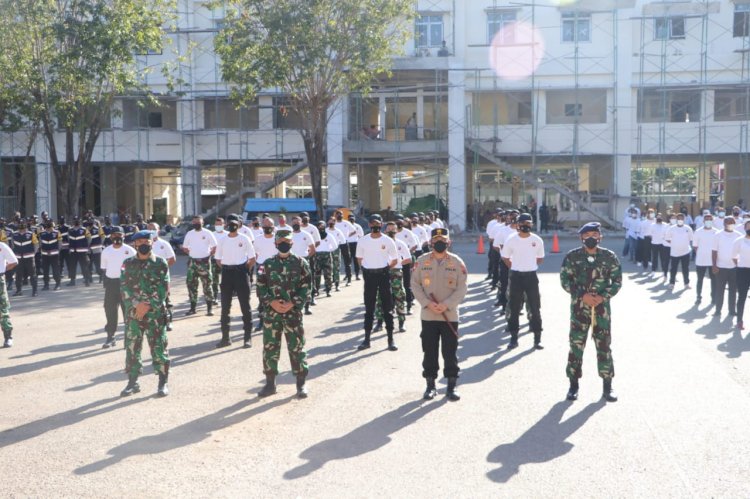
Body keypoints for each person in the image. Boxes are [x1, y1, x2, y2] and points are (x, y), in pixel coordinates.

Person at [560, 222, 622, 402]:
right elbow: (565, 280)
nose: (591, 239)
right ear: (581, 238)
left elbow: (617, 281)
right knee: (576, 346)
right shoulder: (573, 257)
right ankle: (573, 386)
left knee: (604, 346)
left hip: (601, 309)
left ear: (600, 237)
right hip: (580, 308)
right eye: (587, 236)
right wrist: (582, 295)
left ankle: (607, 386)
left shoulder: (609, 256)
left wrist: (603, 297)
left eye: (594, 234)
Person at [411, 228, 467, 401]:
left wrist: (446, 305)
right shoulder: (421, 261)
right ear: (430, 243)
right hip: (429, 315)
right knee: (429, 351)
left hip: (449, 315)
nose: (439, 243)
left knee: (450, 351)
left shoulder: (457, 262)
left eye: (442, 240)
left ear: (448, 243)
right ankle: (430, 385)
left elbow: (462, 288)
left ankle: (451, 386)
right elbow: (415, 284)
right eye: (436, 240)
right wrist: (428, 303)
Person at [256, 230, 312, 398]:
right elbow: (260, 286)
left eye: (286, 241)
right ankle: (270, 384)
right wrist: (271, 302)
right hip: (272, 315)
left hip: (293, 314)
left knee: (297, 348)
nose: (283, 244)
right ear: (275, 243)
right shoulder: (266, 264)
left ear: (292, 243)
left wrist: (293, 303)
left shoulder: (301, 263)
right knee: (270, 348)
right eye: (280, 241)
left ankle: (301, 384)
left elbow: (307, 286)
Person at [119, 230, 170, 397]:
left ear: (152, 242)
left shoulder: (161, 263)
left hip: (154, 313)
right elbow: (124, 286)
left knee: (158, 347)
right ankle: (133, 382)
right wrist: (136, 304)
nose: (142, 244)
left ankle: (163, 382)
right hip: (134, 314)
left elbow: (164, 288)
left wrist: (147, 305)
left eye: (145, 241)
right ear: (134, 244)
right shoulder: (127, 263)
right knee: (133, 348)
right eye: (139, 241)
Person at [355, 214, 399, 351]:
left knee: (388, 308)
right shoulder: (363, 240)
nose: (375, 226)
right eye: (373, 223)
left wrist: (386, 268)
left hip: (384, 275)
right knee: (369, 308)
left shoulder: (388, 240)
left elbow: (395, 259)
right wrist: (365, 269)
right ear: (369, 225)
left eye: (377, 223)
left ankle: (390, 339)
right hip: (370, 276)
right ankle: (367, 339)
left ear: (382, 224)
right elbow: (359, 258)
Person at [501, 213, 544, 350]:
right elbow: (505, 257)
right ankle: (514, 338)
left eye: (528, 223)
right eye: (523, 223)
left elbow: (540, 258)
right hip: (516, 277)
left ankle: (537, 339)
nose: (526, 226)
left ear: (531, 225)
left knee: (535, 307)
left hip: (531, 276)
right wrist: (516, 267)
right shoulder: (511, 239)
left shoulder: (537, 240)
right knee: (514, 308)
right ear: (517, 225)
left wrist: (529, 265)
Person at [215, 216, 256, 348]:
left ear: (239, 224)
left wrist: (244, 269)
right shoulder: (222, 240)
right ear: (227, 225)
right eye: (230, 223)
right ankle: (225, 338)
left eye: (235, 223)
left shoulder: (244, 238)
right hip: (227, 273)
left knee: (245, 306)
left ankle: (247, 338)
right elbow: (218, 259)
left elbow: (252, 258)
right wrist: (227, 268)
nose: (232, 225)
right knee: (225, 307)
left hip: (241, 272)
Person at [100, 227, 136, 348]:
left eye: (119, 235)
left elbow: (136, 268)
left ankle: (129, 337)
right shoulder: (106, 251)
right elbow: (104, 268)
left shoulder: (130, 250)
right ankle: (110, 337)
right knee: (110, 310)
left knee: (127, 311)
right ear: (110, 237)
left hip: (126, 283)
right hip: (111, 284)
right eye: (114, 235)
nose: (117, 237)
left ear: (124, 236)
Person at [374, 222, 412, 333]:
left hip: (396, 272)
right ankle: (379, 323)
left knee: (399, 296)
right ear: (385, 231)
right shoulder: (379, 244)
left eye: (393, 229)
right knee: (380, 297)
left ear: (396, 231)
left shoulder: (401, 244)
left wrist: (398, 262)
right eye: (389, 228)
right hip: (382, 272)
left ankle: (401, 322)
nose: (391, 230)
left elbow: (409, 259)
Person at [182, 215, 217, 316]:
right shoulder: (189, 234)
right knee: (191, 285)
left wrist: (208, 256)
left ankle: (209, 309)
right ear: (192, 223)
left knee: (207, 285)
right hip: (193, 262)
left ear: (202, 223)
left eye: (198, 222)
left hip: (205, 262)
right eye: (194, 222)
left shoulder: (208, 233)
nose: (196, 224)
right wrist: (192, 255)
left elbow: (214, 246)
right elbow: (185, 248)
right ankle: (192, 308)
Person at [712, 217, 742, 318]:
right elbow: (714, 251)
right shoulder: (718, 235)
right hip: (721, 267)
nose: (731, 224)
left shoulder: (738, 235)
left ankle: (732, 310)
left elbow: (741, 251)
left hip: (734, 268)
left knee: (733, 290)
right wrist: (714, 265)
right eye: (729, 222)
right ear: (724, 224)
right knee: (720, 290)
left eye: (733, 222)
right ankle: (718, 310)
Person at [149, 223, 177, 331]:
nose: (152, 231)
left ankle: (169, 321)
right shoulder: (145, 244)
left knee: (166, 299)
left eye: (154, 229)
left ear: (158, 230)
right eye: (149, 229)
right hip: (148, 278)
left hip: (162, 277)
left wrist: (162, 269)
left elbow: (172, 259)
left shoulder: (164, 244)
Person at [253, 217, 278, 330]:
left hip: (276, 268)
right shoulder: (257, 239)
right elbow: (254, 253)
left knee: (277, 292)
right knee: (262, 293)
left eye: (270, 225)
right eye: (265, 225)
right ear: (262, 226)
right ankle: (262, 320)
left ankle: (277, 319)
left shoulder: (278, 238)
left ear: (273, 227)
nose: (267, 227)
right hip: (262, 267)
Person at [290, 216, 316, 315]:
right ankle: (294, 306)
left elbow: (312, 249)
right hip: (291, 262)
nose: (296, 224)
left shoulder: (306, 234)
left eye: (298, 222)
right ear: (291, 224)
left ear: (301, 223)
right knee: (292, 284)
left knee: (306, 283)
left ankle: (307, 306)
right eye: (294, 222)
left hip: (304, 261)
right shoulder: (288, 235)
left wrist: (306, 258)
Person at [693, 213, 718, 304]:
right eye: (706, 219)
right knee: (700, 280)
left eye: (710, 219)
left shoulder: (716, 232)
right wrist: (701, 253)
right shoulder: (698, 231)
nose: (708, 221)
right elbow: (695, 246)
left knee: (714, 280)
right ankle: (698, 296)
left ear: (712, 221)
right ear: (703, 221)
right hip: (701, 260)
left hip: (713, 261)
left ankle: (714, 297)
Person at [665, 213, 693, 290]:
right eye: (679, 219)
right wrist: (674, 243)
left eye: (682, 219)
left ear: (684, 220)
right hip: (674, 252)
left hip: (685, 252)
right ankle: (672, 283)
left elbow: (691, 239)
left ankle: (686, 283)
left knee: (685, 268)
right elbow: (667, 238)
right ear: (676, 220)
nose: (680, 220)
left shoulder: (688, 228)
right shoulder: (671, 228)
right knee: (673, 269)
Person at [12, 220, 38, 297]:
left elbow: (36, 244)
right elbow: (12, 245)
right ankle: (18, 290)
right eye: (20, 224)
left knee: (32, 274)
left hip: (29, 258)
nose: (21, 226)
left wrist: (33, 254)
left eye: (23, 224)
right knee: (18, 275)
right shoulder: (14, 234)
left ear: (26, 225)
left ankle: (34, 291)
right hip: (18, 258)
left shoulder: (31, 234)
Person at [732, 220, 750, 330]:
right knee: (742, 296)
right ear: (745, 228)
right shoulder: (739, 241)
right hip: (743, 271)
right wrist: (740, 265)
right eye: (748, 226)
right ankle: (739, 320)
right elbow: (734, 256)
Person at [0, 239, 18, 347]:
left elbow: (14, 261)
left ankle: (8, 337)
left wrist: (3, 269)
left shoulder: (2, 246)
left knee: (3, 309)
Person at [67, 216, 92, 286]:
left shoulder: (84, 229)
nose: (76, 221)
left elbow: (89, 239)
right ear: (73, 221)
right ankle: (72, 280)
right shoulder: (70, 230)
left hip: (82, 251)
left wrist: (86, 246)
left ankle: (87, 280)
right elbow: (68, 238)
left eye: (77, 220)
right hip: (73, 251)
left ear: (80, 221)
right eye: (74, 220)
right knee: (72, 266)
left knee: (84, 266)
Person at [334, 210, 356, 285]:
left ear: (343, 215)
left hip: (344, 243)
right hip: (336, 244)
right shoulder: (334, 223)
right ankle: (335, 279)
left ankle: (349, 278)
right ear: (335, 216)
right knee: (335, 261)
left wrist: (347, 236)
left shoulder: (346, 223)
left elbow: (354, 230)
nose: (339, 215)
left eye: (341, 214)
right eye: (338, 214)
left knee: (347, 261)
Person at [38, 221, 62, 291]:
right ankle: (46, 285)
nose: (49, 229)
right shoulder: (42, 233)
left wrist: (58, 251)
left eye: (50, 228)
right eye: (48, 228)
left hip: (54, 254)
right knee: (45, 271)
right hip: (45, 255)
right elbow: (40, 243)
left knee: (55, 270)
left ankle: (58, 284)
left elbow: (60, 243)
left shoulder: (57, 233)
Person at [314, 220, 335, 298]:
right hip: (317, 256)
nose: (321, 228)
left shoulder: (329, 236)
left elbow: (335, 245)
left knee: (328, 274)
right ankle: (316, 291)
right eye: (319, 226)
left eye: (323, 226)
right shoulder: (314, 236)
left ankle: (328, 291)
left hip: (327, 256)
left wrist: (328, 249)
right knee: (317, 274)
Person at [211, 217, 227, 306]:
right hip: (214, 260)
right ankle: (215, 297)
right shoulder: (212, 235)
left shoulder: (228, 234)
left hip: (226, 260)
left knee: (226, 280)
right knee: (214, 280)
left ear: (224, 225)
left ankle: (225, 297)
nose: (218, 226)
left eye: (220, 224)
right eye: (217, 225)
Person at [326, 218, 346, 291]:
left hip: (336, 250)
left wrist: (338, 243)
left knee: (336, 267)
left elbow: (343, 240)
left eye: (332, 222)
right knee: (328, 268)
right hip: (327, 250)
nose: (331, 223)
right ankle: (329, 285)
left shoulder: (338, 231)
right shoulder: (325, 231)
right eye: (329, 222)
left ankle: (337, 285)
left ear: (334, 223)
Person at [347, 214, 364, 280]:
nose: (351, 220)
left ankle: (357, 274)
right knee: (348, 260)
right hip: (348, 244)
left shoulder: (358, 226)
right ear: (348, 219)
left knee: (356, 260)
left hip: (356, 244)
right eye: (350, 219)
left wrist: (360, 245)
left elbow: (361, 236)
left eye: (352, 219)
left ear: (354, 219)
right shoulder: (346, 226)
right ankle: (348, 274)